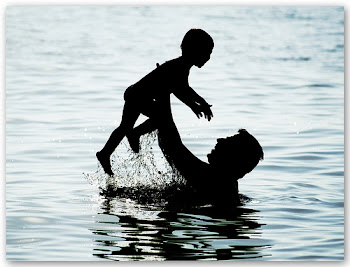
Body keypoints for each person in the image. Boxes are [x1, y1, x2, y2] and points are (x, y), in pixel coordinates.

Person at [97, 29, 214, 176]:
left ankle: (105, 153)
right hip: (139, 96)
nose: (209, 57)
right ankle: (135, 134)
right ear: (194, 51)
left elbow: (182, 89)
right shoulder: (179, 66)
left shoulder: (181, 65)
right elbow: (181, 90)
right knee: (160, 119)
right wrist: (196, 105)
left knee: (124, 126)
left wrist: (198, 104)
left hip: (134, 93)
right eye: (207, 52)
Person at [157, 112, 264, 200]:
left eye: (227, 141)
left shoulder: (213, 180)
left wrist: (165, 91)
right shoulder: (227, 184)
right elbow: (169, 143)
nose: (219, 140)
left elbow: (171, 144)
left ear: (233, 158)